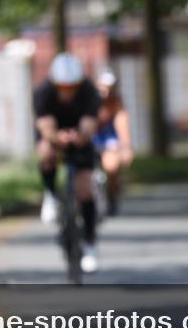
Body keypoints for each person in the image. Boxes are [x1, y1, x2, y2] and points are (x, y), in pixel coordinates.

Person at [34, 52, 103, 273]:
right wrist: (57, 138)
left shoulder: (89, 91)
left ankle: (90, 243)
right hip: (53, 135)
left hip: (80, 136)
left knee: (85, 188)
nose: (67, 91)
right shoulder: (42, 93)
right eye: (63, 86)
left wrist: (80, 137)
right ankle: (51, 194)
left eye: (72, 86)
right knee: (45, 153)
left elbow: (89, 124)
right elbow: (45, 126)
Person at [94, 67, 134, 216]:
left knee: (111, 166)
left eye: (109, 88)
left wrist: (126, 147)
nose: (106, 91)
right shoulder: (88, 100)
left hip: (108, 140)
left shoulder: (117, 103)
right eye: (103, 87)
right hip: (90, 138)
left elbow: (122, 124)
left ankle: (111, 196)